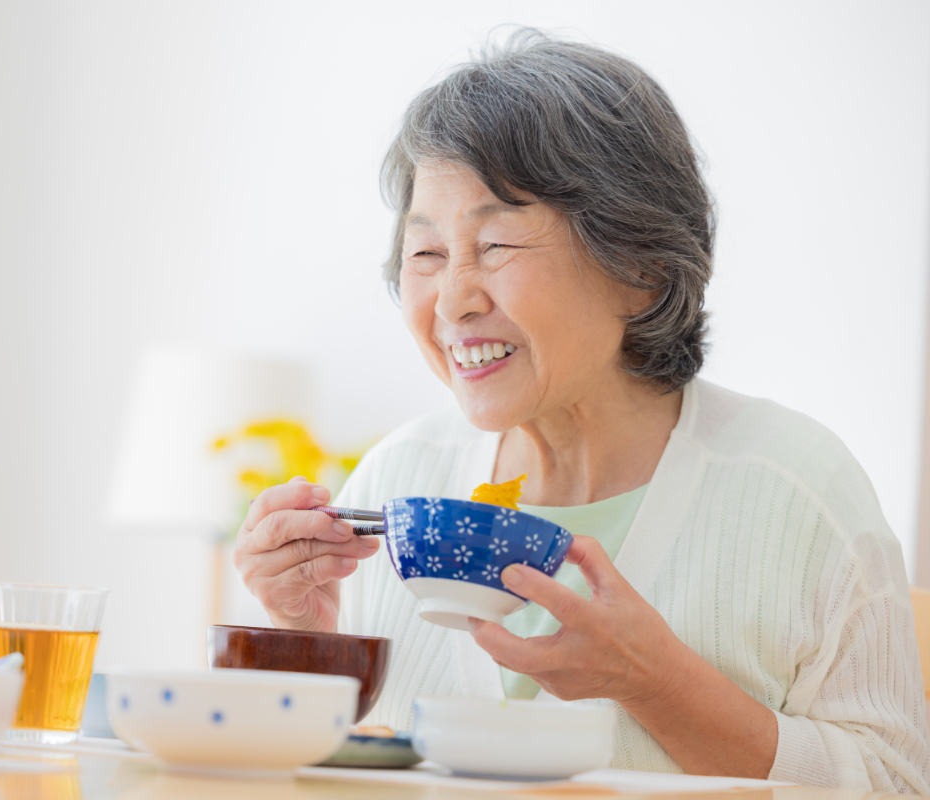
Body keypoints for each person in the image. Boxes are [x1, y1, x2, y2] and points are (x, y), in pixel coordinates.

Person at [232, 29, 930, 792]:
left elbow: (894, 783)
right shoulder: (400, 479)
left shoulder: (798, 489)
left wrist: (658, 682)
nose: (454, 300)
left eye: (495, 243)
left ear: (640, 269)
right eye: (426, 255)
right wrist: (302, 634)